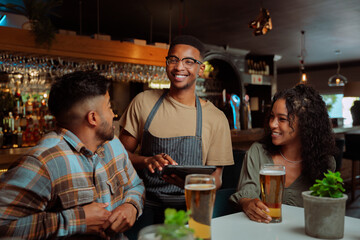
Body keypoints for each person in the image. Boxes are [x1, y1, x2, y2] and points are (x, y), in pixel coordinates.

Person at [0, 71, 145, 239]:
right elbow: (3, 227)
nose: (113, 115)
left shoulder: (113, 144)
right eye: (109, 107)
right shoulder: (43, 162)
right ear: (93, 117)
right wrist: (75, 220)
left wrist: (131, 206)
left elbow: (136, 185)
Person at [119, 35, 234, 225]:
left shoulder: (216, 118)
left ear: (201, 69)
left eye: (189, 61)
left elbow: (217, 179)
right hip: (146, 208)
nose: (179, 67)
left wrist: (193, 184)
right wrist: (146, 160)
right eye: (173, 59)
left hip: (192, 210)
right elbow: (118, 156)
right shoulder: (143, 102)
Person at [230, 84, 336, 223]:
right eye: (272, 117)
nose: (272, 124)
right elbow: (247, 192)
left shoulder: (325, 162)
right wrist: (247, 203)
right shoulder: (258, 151)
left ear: (305, 124)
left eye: (282, 119)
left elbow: (326, 214)